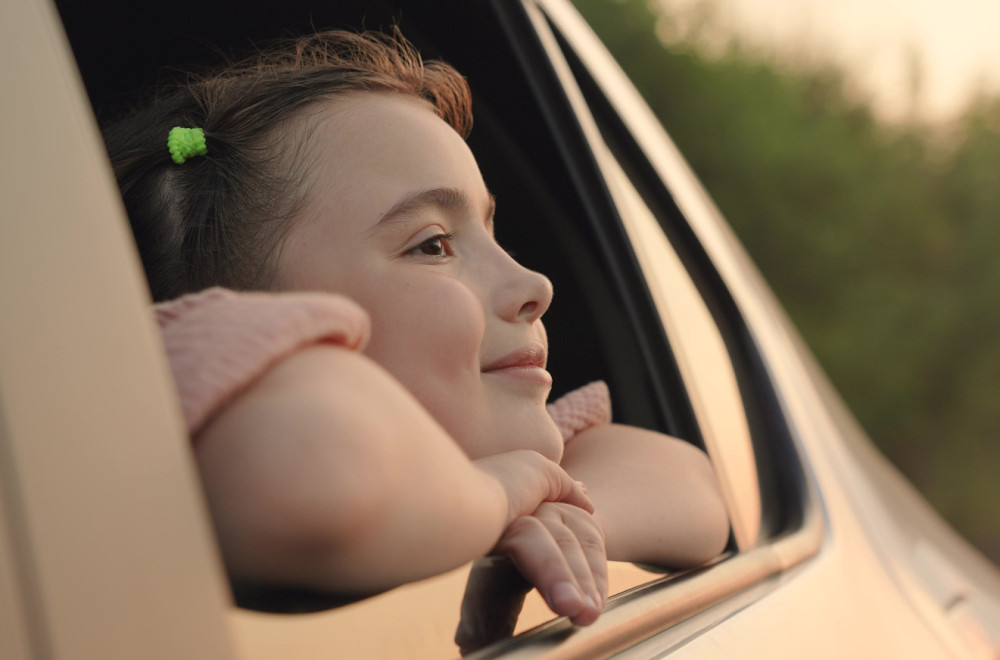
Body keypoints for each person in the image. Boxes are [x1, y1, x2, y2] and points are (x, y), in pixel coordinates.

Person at [104, 28, 729, 630]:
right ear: (244, 321)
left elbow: (689, 484)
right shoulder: (197, 397)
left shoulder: (506, 450)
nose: (534, 284)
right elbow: (311, 474)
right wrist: (494, 496)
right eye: (433, 246)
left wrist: (560, 517)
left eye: (492, 231)